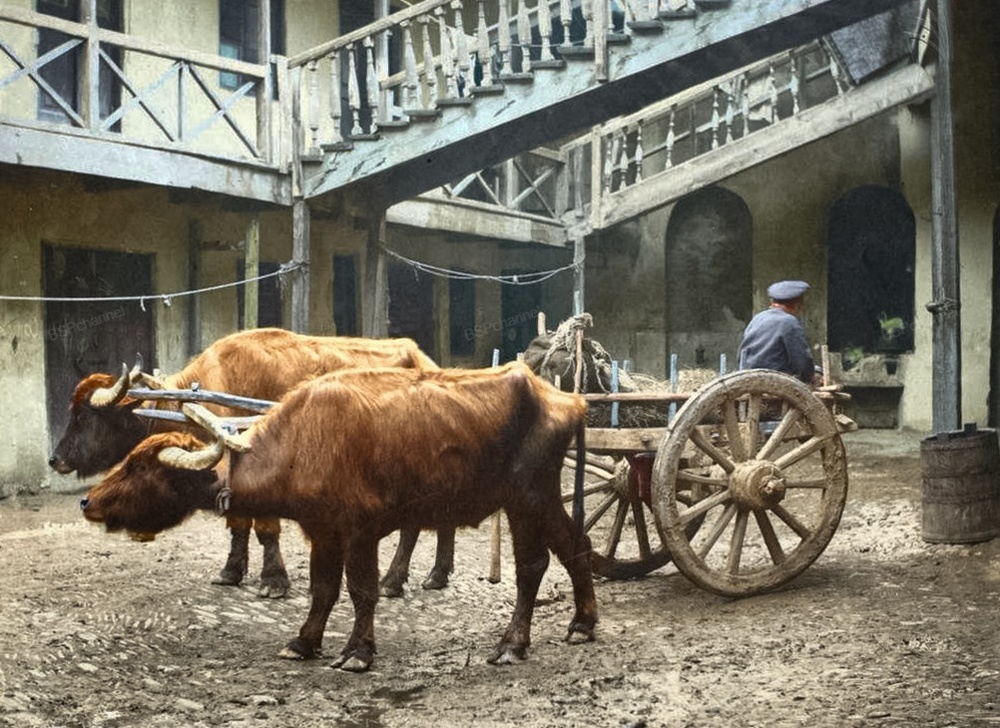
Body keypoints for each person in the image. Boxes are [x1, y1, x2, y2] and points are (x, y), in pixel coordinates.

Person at [738, 279, 821, 386]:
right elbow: (802, 362)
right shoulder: (789, 322)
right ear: (797, 303)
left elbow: (742, 353)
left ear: (772, 302)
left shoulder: (758, 318)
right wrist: (811, 376)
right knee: (817, 372)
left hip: (747, 378)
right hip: (775, 381)